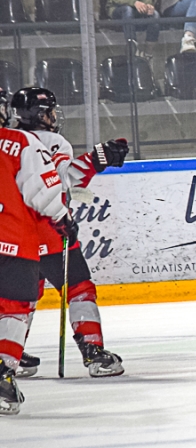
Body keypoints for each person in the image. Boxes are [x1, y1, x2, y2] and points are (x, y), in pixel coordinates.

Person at [11, 88, 129, 378]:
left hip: (11, 234)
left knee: (19, 298)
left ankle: (8, 358)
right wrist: (96, 159)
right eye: (49, 110)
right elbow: (60, 180)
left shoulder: (6, 141)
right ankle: (94, 353)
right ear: (40, 115)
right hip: (49, 230)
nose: (53, 116)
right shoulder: (52, 142)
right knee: (79, 288)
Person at [0, 92, 72, 415]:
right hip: (13, 241)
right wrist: (64, 219)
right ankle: (2, 374)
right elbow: (42, 192)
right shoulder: (20, 142)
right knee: (16, 308)